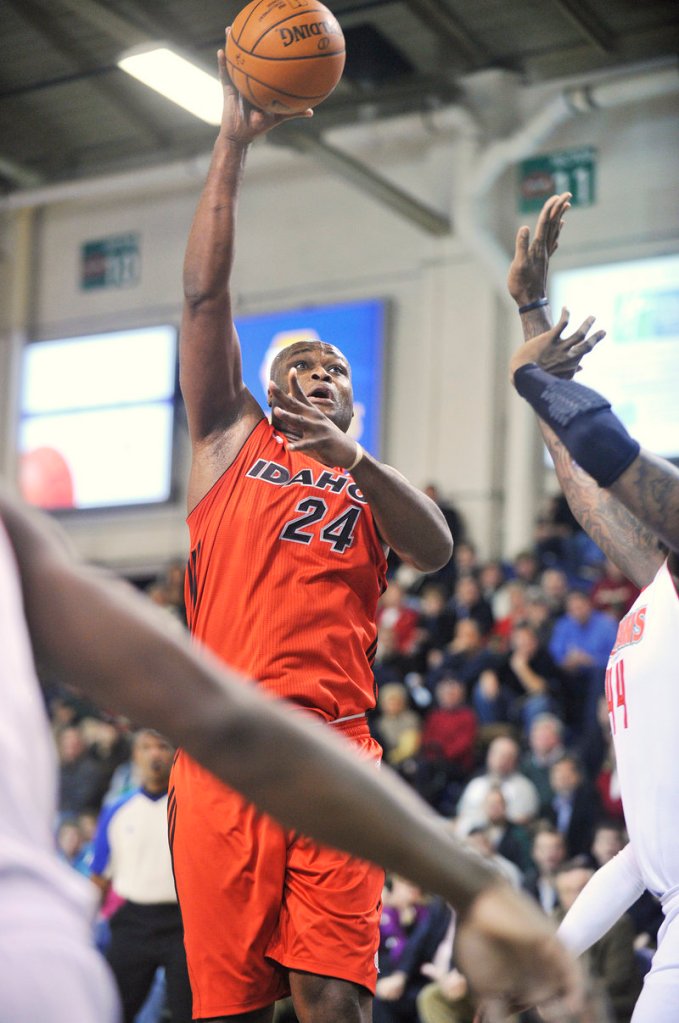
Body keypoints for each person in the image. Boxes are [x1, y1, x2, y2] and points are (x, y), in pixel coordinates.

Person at [0, 485, 582, 1022]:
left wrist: (470, 886)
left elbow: (233, 724)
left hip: (32, 951)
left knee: (325, 996)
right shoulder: (20, 540)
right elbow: (226, 724)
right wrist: (471, 886)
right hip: (49, 948)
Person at [171, 33, 456, 1023]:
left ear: (352, 401)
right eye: (300, 364)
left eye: (335, 367)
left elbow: (437, 550)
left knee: (336, 1005)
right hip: (229, 757)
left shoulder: (369, 485)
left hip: (337, 753)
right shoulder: (226, 439)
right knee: (238, 1012)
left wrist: (359, 464)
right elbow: (205, 294)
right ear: (267, 389)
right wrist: (233, 142)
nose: (321, 370)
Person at [507, 190, 679, 1020]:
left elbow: (607, 452)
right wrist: (529, 310)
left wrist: (530, 375)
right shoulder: (656, 592)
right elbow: (585, 488)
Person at [90, 729, 192, 1023]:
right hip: (133, 922)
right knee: (111, 1011)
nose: (154, 754)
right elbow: (99, 876)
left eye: (161, 746)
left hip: (183, 923)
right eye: (146, 747)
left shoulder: (189, 807)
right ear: (136, 755)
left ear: (173, 753)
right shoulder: (117, 810)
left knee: (192, 1013)